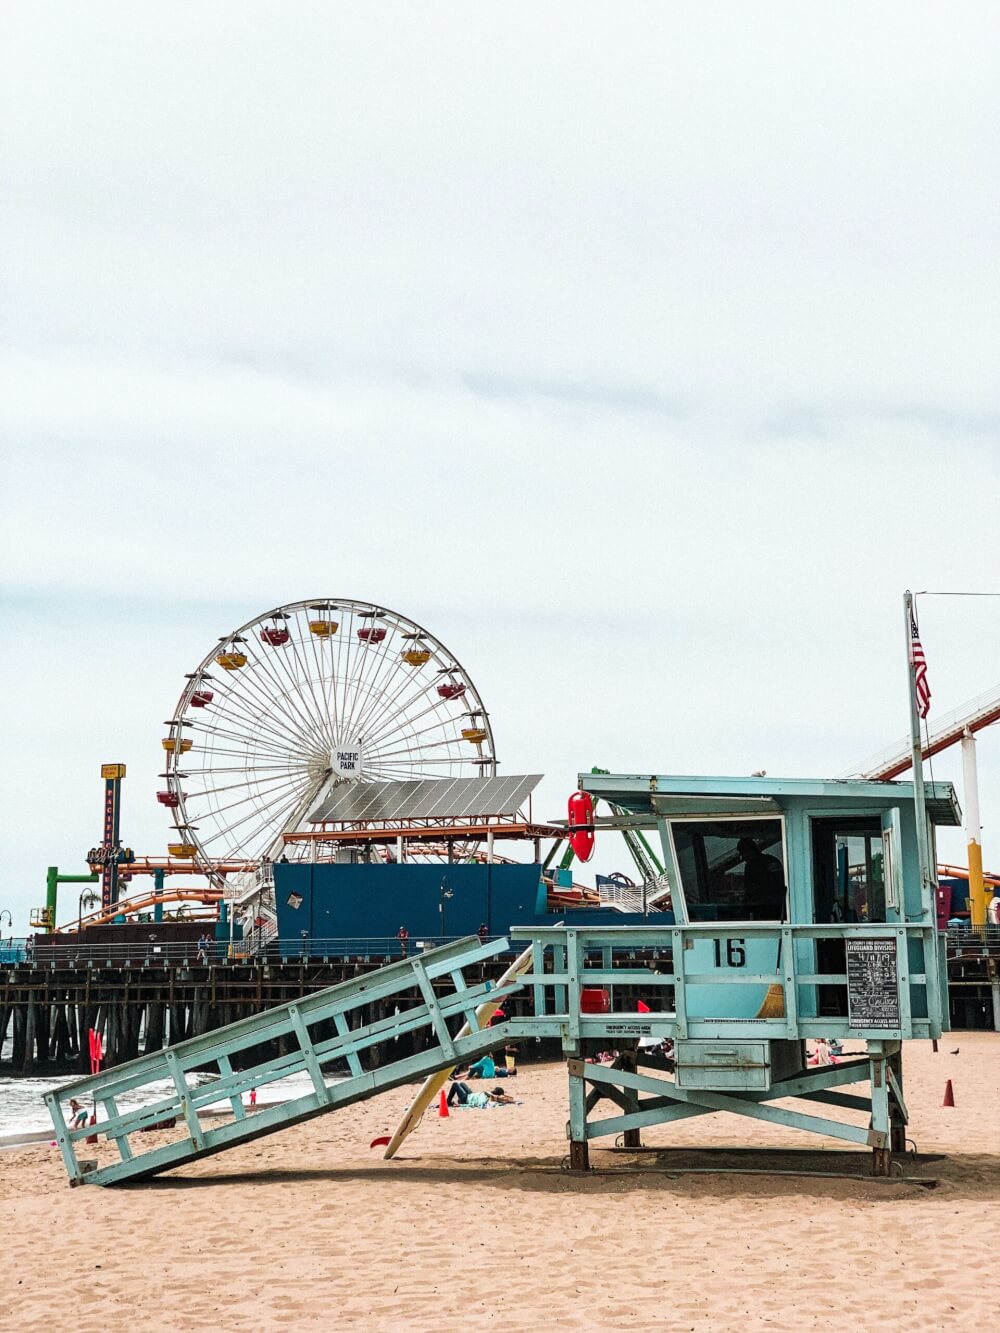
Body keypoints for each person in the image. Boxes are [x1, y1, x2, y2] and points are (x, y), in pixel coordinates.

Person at [737, 837, 786, 920]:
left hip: (772, 905)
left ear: (750, 850)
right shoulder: (770, 860)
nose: (742, 858)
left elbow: (779, 883)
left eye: (743, 853)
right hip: (764, 905)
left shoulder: (766, 863)